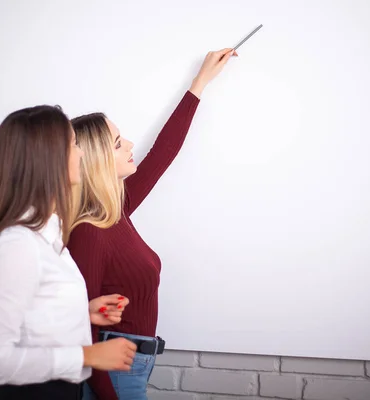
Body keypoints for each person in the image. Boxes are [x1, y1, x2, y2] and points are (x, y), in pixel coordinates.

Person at [66, 48, 236, 399]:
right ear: (97, 160)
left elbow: (162, 154)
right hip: (113, 373)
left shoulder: (116, 211)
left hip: (132, 366)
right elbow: (81, 329)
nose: (129, 144)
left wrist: (199, 83)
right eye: (117, 143)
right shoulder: (87, 232)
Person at [0, 105, 138, 400]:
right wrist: (88, 355)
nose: (82, 153)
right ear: (48, 159)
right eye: (74, 144)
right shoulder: (17, 246)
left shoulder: (50, 240)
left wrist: (82, 311)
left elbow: (34, 321)